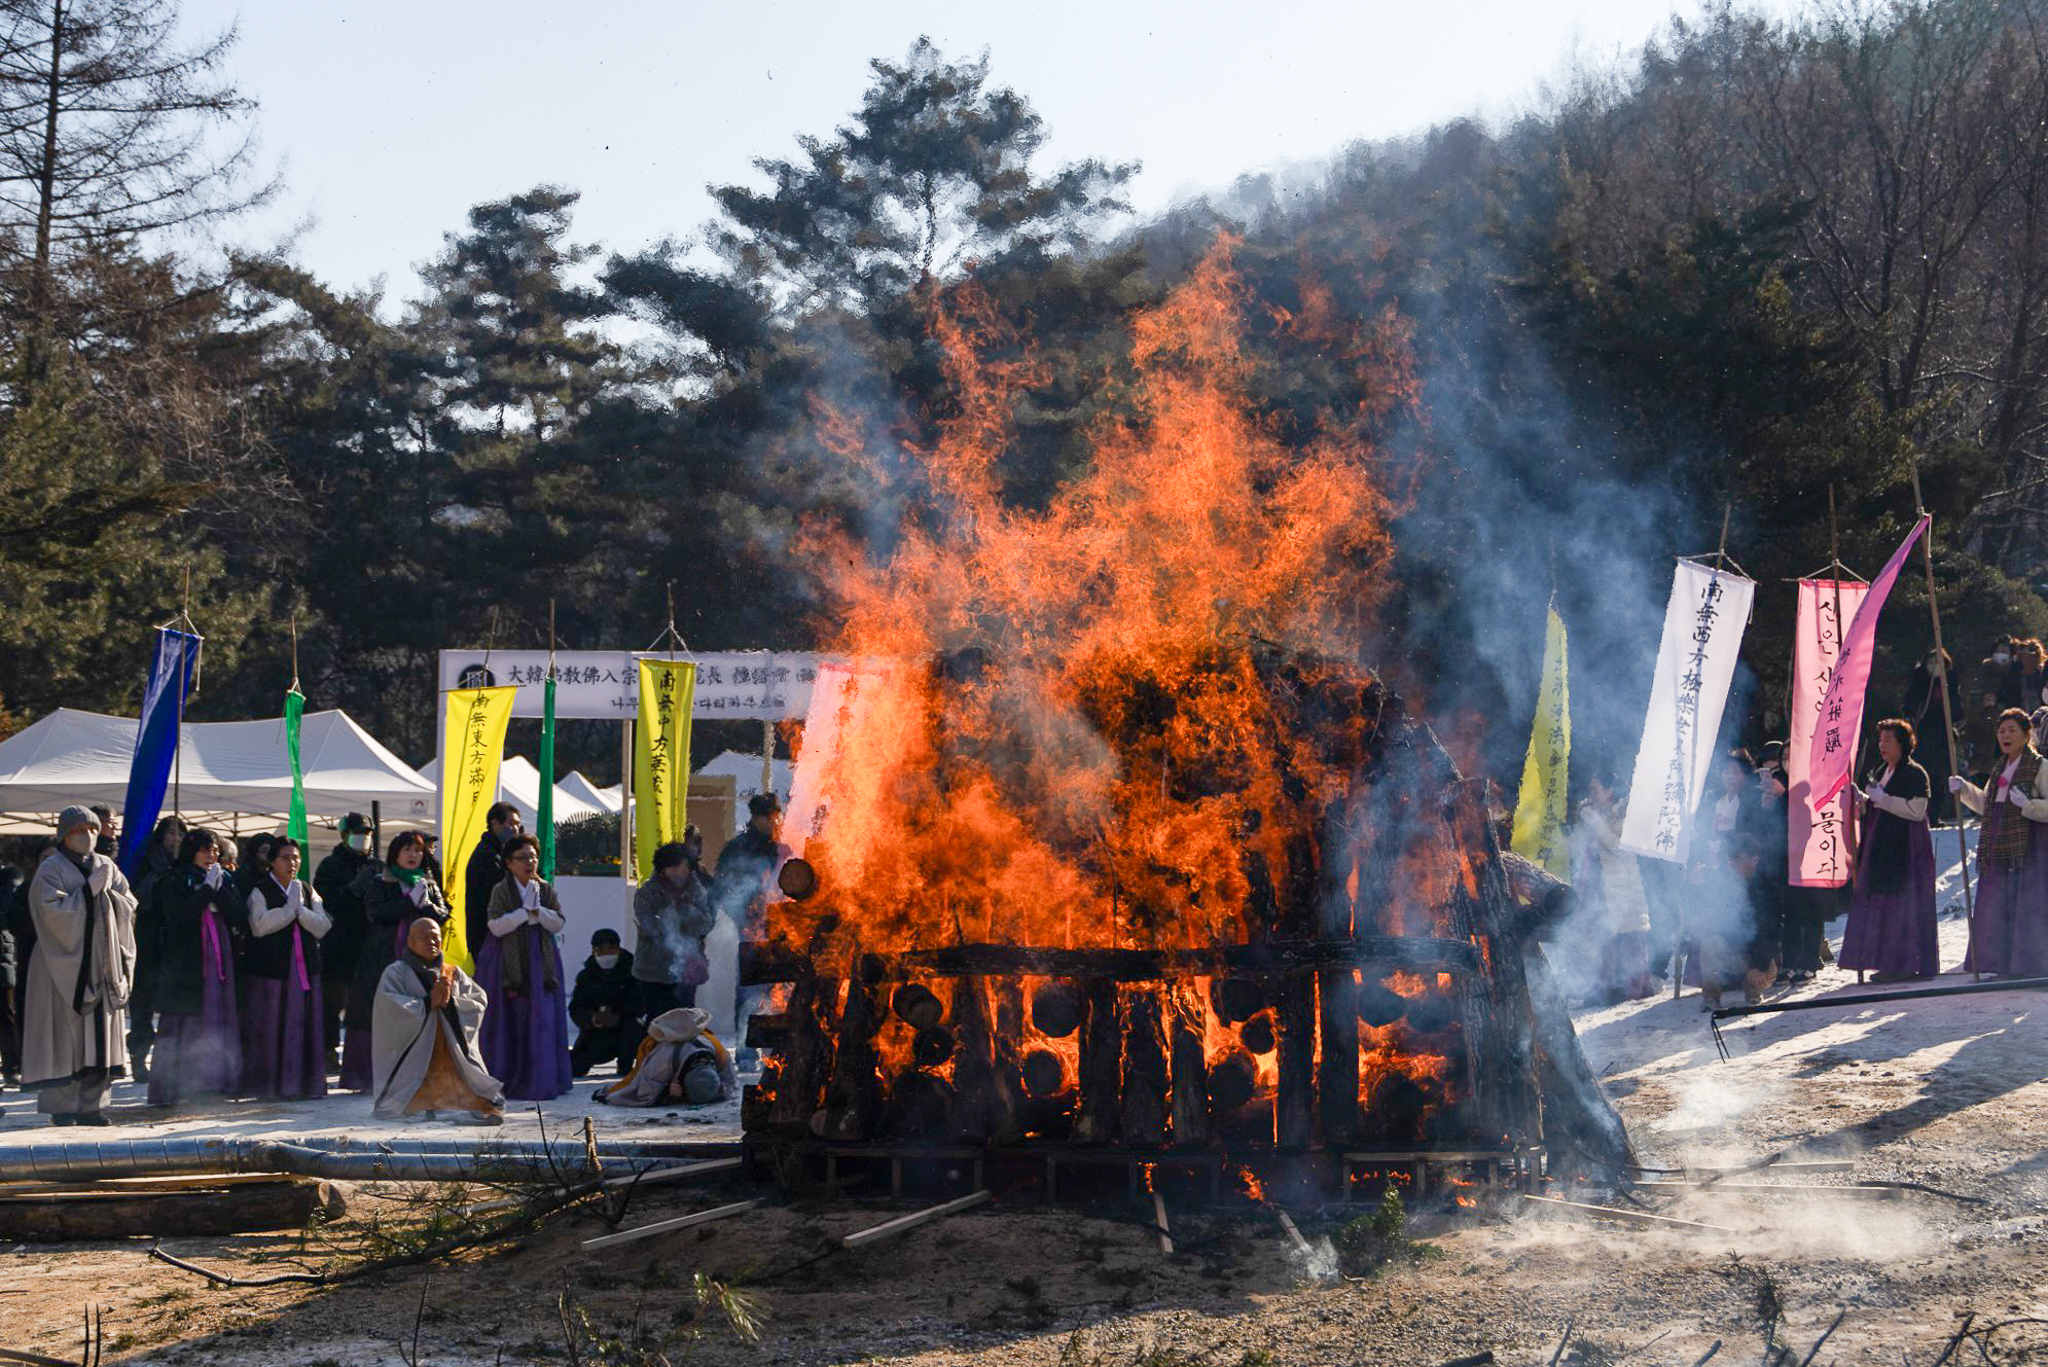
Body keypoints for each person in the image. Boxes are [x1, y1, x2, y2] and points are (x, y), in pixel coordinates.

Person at [23, 807, 137, 1125]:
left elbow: (129, 903)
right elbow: (49, 913)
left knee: (99, 1038)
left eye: (92, 828)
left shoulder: (106, 865)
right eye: (80, 829)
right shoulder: (51, 869)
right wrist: (89, 893)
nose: (87, 835)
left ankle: (92, 1105)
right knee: (63, 1038)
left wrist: (109, 897)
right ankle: (62, 1107)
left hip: (101, 965)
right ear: (64, 834)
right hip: (61, 965)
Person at [342, 831, 450, 1092]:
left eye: (417, 851)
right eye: (407, 850)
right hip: (384, 957)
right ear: (395, 854)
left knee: (419, 1012)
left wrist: (427, 907)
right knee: (383, 1014)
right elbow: (376, 913)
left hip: (421, 961)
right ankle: (370, 1077)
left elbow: (444, 913)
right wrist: (408, 903)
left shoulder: (428, 882)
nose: (413, 855)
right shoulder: (382, 881)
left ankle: (418, 1075)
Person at [372, 915, 503, 1124]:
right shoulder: (395, 973)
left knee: (479, 1101)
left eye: (436, 937)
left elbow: (479, 1000)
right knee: (405, 1104)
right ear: (410, 941)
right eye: (424, 937)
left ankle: (458, 1106)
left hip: (451, 1053)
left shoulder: (453, 972)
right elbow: (389, 1011)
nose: (432, 942)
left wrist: (452, 1005)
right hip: (414, 1059)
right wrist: (426, 1004)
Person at [148, 828, 245, 1105]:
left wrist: (220, 890)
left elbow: (239, 914)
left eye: (215, 850)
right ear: (192, 851)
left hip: (219, 955)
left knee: (218, 1014)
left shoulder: (223, 876)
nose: (211, 855)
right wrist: (206, 892)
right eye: (205, 849)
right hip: (187, 961)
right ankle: (178, 1084)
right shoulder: (176, 876)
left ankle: (215, 1081)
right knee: (186, 1019)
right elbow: (178, 915)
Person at [1839, 719, 1940, 982]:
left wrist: (1883, 799)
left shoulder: (1915, 773)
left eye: (1888, 740)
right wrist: (1862, 799)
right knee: (1884, 903)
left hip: (1907, 847)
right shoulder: (1881, 770)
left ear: (1902, 744)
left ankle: (1905, 963)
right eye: (1880, 739)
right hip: (1881, 844)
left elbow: (1917, 811)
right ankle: (1887, 961)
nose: (1882, 745)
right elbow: (1877, 806)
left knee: (1904, 904)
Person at [1951, 708, 2048, 977]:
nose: (2005, 735)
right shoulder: (1999, 769)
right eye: (2001, 730)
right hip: (1998, 847)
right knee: (1998, 906)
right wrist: (1964, 790)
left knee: (2025, 905)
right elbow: (1987, 804)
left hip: (2029, 848)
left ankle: (2028, 964)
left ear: (2027, 734)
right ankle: (2002, 962)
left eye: (2012, 730)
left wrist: (2028, 805)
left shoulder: (2040, 767)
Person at [476, 833, 571, 1100]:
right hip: (507, 960)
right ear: (509, 863)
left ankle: (538, 1076)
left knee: (541, 1018)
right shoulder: (501, 890)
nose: (530, 862)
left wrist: (538, 911)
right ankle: (509, 1076)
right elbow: (495, 925)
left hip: (541, 959)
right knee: (511, 1017)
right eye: (522, 858)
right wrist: (522, 914)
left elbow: (559, 922)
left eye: (533, 857)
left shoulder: (545, 888)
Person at [240, 838, 331, 1099]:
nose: (292, 863)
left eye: (295, 857)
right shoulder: (260, 890)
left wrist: (299, 911)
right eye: (285, 857)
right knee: (271, 1025)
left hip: (304, 969)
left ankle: (303, 1082)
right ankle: (269, 1085)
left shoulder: (306, 888)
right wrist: (288, 911)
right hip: (272, 970)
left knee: (302, 1024)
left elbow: (323, 926)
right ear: (272, 861)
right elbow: (258, 927)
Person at [1573, 774, 1658, 1001]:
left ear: (1609, 791)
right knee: (1603, 940)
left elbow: (1618, 846)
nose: (1592, 795)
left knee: (1630, 941)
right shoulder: (1596, 815)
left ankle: (1635, 989)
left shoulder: (1626, 814)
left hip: (1624, 887)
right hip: (1601, 887)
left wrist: (1594, 822)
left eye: (1596, 789)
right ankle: (1604, 991)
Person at [312, 813, 378, 1072]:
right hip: (337, 947)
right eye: (359, 832)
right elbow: (326, 904)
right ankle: (328, 1053)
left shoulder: (374, 865)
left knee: (362, 1007)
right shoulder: (331, 865)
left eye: (368, 833)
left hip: (367, 946)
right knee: (332, 1006)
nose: (364, 837)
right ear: (344, 835)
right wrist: (353, 888)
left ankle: (358, 1058)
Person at [125, 813, 186, 1082]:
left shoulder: (184, 866)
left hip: (175, 945)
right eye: (171, 834)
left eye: (180, 834)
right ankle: (138, 1057)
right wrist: (162, 880)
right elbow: (139, 897)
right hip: (148, 942)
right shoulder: (147, 863)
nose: (176, 839)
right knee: (143, 1006)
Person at [633, 836, 714, 1018]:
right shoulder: (646, 893)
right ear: (663, 869)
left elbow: (706, 924)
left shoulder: (697, 891)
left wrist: (687, 911)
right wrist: (669, 915)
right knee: (657, 1022)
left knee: (685, 1020)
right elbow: (649, 927)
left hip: (687, 970)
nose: (681, 872)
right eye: (675, 867)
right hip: (653, 971)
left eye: (685, 867)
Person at [597, 1007, 736, 1108]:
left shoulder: (719, 1052)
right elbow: (642, 1090)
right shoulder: (663, 1059)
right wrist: (666, 1092)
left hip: (690, 1032)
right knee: (630, 1082)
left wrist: (716, 1091)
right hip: (660, 1038)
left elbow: (731, 1084)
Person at [569, 928, 642, 1076]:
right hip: (598, 1032)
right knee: (575, 1067)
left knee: (633, 1027)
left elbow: (641, 1003)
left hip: (628, 1032)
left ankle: (625, 1065)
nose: (605, 953)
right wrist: (593, 1018)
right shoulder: (586, 976)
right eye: (600, 949)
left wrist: (617, 1013)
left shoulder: (634, 971)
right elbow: (576, 1008)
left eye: (610, 948)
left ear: (618, 949)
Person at [713, 795, 786, 937]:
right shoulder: (737, 848)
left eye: (775, 817)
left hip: (777, 920)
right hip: (743, 922)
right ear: (755, 818)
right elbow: (722, 884)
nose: (773, 822)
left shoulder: (781, 849)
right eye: (768, 817)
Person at [1903, 652, 1957, 823]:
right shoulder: (1919, 681)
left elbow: (1957, 708)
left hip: (1943, 734)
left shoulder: (1949, 682)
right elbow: (1908, 705)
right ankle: (1920, 812)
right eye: (1931, 662)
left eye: (1938, 662)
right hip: (1923, 735)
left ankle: (1934, 814)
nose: (1935, 665)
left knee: (1940, 777)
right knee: (1923, 774)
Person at [464, 803, 521, 957]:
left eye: (518, 824)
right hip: (487, 937)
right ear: (494, 823)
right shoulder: (486, 855)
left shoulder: (502, 852)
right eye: (511, 823)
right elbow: (497, 895)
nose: (515, 829)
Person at [0, 864, 20, 1086]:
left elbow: (11, 911)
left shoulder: (9, 877)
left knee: (7, 1019)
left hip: (3, 962)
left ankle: (11, 1066)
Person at [1998, 638, 2048, 713]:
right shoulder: (2011, 678)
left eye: (2025, 655)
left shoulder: (2042, 676)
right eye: (2019, 656)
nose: (2022, 659)